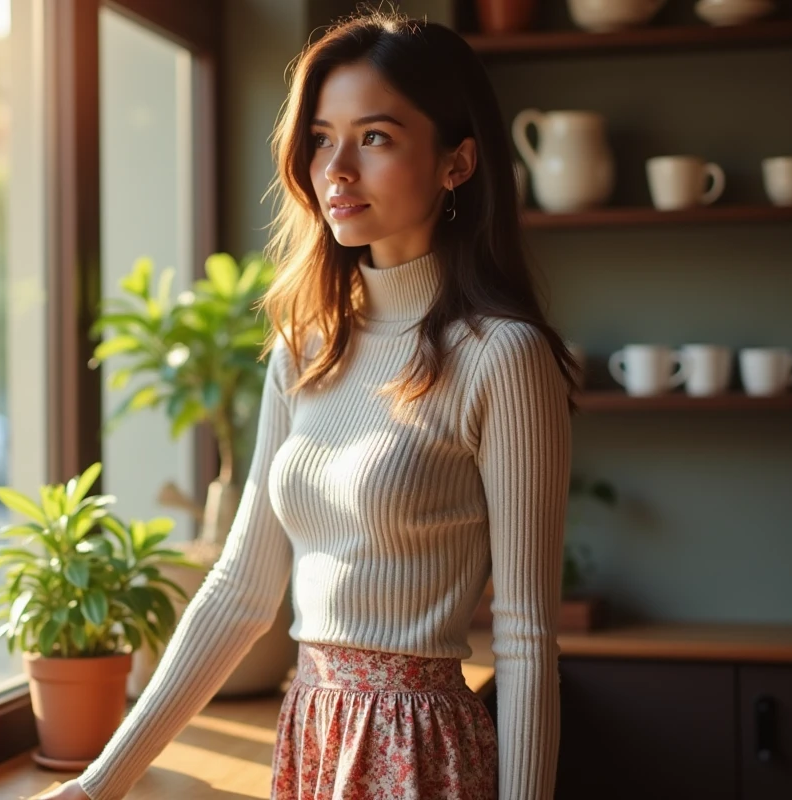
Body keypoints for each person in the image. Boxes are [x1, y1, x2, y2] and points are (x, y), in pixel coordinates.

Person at [45, 9, 576, 800]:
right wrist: (97, 785)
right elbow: (238, 592)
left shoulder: (502, 356)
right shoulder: (307, 347)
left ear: (457, 161)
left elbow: (527, 636)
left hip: (418, 755)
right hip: (311, 736)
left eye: (377, 137)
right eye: (322, 138)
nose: (337, 169)